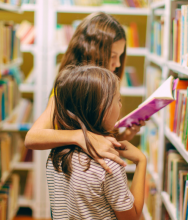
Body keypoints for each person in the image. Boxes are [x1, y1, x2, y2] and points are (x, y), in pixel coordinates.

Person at [25, 12, 146, 173]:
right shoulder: (67, 88)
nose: (117, 64)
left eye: (120, 56)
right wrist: (80, 136)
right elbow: (32, 137)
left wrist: (122, 136)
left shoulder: (100, 87)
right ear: (94, 52)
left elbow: (96, 143)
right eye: (112, 56)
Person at [47, 65, 146, 220]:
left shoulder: (56, 153)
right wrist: (141, 161)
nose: (120, 105)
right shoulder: (108, 164)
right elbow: (131, 218)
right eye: (118, 100)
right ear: (101, 109)